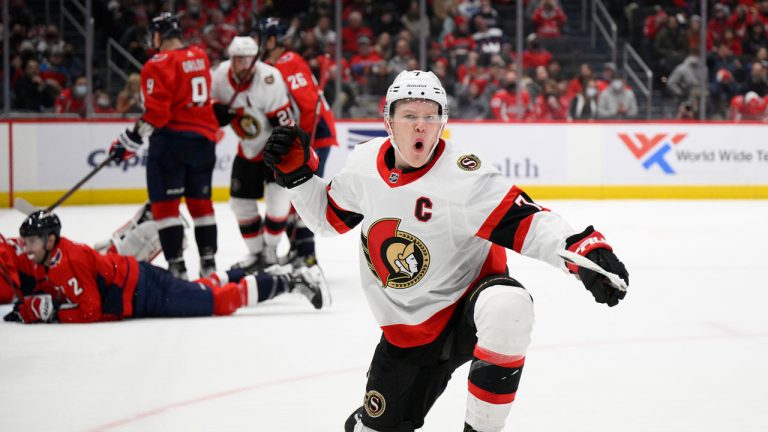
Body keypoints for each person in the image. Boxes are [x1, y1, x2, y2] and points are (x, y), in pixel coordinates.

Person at [262, 70, 630, 432]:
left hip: (468, 308)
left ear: (443, 123)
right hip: (406, 332)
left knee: (509, 307)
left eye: (430, 116)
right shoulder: (363, 166)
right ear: (389, 122)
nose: (420, 126)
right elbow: (328, 219)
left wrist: (583, 248)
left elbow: (529, 222)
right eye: (409, 116)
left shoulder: (464, 176)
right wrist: (298, 177)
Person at [1, 211, 330, 324]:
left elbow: (90, 308)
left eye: (31, 241)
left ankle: (291, 281)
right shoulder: (50, 260)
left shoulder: (66, 260)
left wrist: (52, 313)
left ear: (50, 239)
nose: (26, 248)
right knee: (206, 287)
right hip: (139, 281)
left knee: (219, 301)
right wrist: (35, 306)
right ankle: (262, 275)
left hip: (145, 293)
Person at [108, 12, 220, 280]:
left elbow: (157, 114)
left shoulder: (156, 64)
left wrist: (129, 140)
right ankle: (209, 265)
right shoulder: (200, 55)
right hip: (204, 143)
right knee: (201, 205)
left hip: (172, 143)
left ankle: (177, 269)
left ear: (160, 35)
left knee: (165, 207)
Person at [259, 17, 339, 269]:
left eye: (263, 38)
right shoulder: (278, 63)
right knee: (295, 192)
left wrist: (299, 142)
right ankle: (298, 250)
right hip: (306, 133)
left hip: (315, 134)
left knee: (306, 193)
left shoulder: (287, 62)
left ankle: (306, 254)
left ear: (272, 40)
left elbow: (307, 104)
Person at [210, 36, 295, 272]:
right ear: (231, 59)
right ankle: (256, 254)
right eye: (240, 60)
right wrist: (213, 112)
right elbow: (203, 107)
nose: (245, 65)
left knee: (278, 199)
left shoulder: (269, 78)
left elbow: (284, 123)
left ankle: (270, 252)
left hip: (275, 147)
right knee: (240, 204)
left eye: (250, 59)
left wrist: (282, 149)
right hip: (247, 150)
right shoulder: (217, 76)